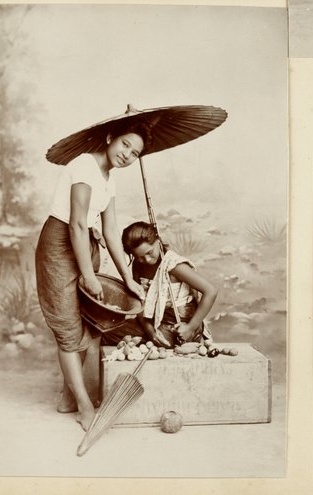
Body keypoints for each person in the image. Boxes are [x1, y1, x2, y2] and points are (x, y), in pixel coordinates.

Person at [35, 124, 150, 431]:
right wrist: (88, 275)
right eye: (125, 145)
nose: (127, 155)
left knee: (88, 320)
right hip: (61, 243)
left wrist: (127, 277)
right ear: (111, 137)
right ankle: (85, 407)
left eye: (135, 153)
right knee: (68, 325)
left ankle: (68, 398)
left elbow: (111, 231)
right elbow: (74, 223)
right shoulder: (84, 165)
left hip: (84, 243)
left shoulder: (108, 179)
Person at [108, 221, 218, 348]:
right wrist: (149, 329)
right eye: (139, 257)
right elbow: (140, 301)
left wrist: (190, 328)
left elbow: (211, 291)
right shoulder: (138, 265)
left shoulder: (174, 266)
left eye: (150, 252)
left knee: (165, 340)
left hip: (179, 325)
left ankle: (184, 337)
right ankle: (153, 337)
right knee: (107, 329)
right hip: (152, 320)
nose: (147, 260)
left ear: (158, 241)